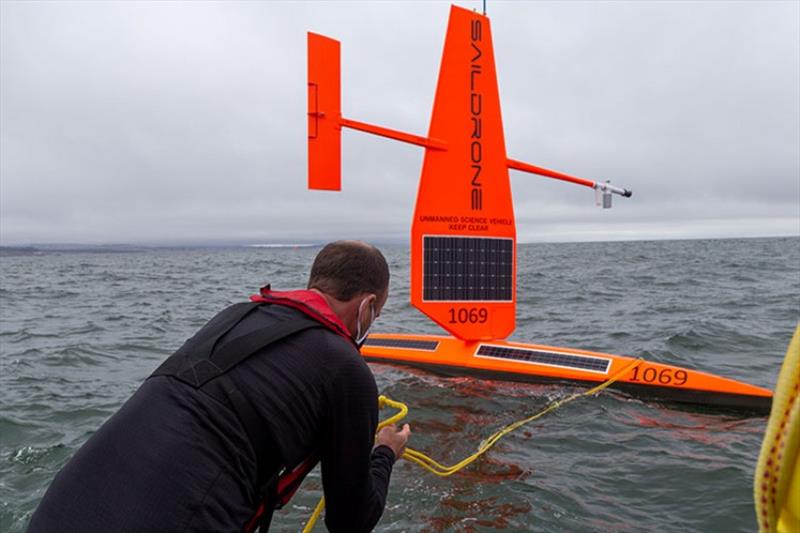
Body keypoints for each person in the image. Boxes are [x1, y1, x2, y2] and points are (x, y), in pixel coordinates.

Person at [28, 240, 411, 533]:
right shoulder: (345, 367)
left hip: (62, 508)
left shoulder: (237, 315)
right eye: (375, 314)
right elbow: (350, 521)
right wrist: (383, 454)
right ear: (367, 306)